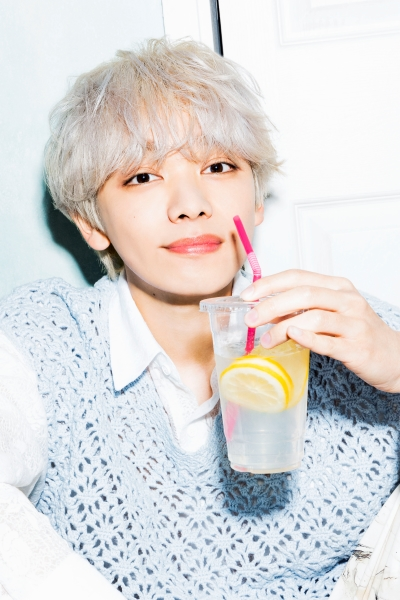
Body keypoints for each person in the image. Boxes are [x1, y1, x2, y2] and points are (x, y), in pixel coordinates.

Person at [0, 38, 400, 600]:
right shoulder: (45, 338)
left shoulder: (356, 332)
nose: (190, 204)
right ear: (92, 224)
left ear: (256, 199)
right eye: (142, 176)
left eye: (218, 165)